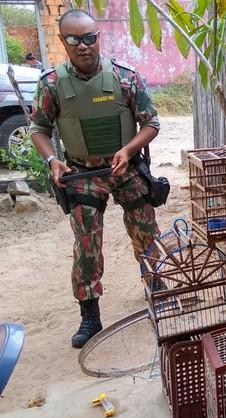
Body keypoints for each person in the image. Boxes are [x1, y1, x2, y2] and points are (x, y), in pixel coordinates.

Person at [29, 9, 161, 348]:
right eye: (74, 39)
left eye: (89, 37)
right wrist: (52, 161)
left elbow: (150, 123)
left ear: (98, 37)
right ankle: (90, 314)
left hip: (125, 169)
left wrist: (129, 151)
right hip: (82, 175)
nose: (83, 45)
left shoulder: (124, 78)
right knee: (87, 245)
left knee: (147, 233)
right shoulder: (52, 84)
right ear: (63, 42)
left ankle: (158, 291)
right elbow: (39, 129)